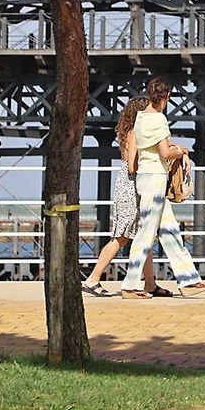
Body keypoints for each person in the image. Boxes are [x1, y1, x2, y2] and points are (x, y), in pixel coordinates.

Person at [119, 78, 205, 298]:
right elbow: (165, 153)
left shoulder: (140, 118)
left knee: (170, 230)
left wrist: (177, 150)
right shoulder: (159, 119)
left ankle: (188, 280)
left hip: (145, 178)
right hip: (155, 178)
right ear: (166, 97)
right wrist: (182, 152)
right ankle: (129, 285)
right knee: (146, 232)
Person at [82, 97, 160, 297]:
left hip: (132, 184)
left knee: (146, 235)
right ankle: (93, 278)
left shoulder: (129, 132)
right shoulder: (134, 133)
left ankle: (150, 283)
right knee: (121, 236)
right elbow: (133, 166)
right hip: (131, 185)